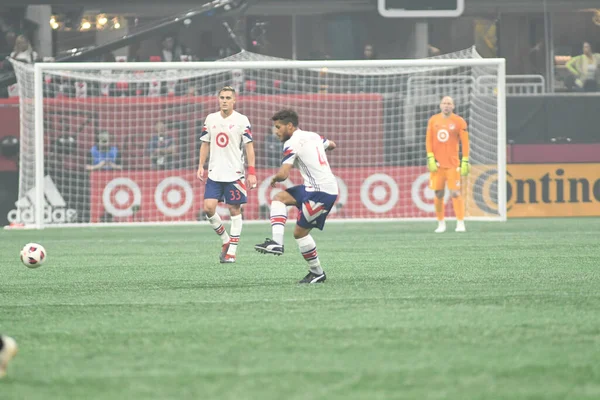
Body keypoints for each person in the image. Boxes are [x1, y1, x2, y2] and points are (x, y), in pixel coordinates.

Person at [255, 109, 338, 284]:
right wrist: (322, 149)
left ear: (290, 126)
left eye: (278, 127)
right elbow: (332, 144)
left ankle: (317, 273)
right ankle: (276, 242)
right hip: (313, 188)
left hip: (321, 193)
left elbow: (284, 174)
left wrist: (275, 177)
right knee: (279, 198)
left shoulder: (291, 143)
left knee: (300, 233)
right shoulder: (312, 136)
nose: (276, 131)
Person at [196, 86, 257, 263]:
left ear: (234, 100)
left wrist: (251, 172)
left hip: (235, 173)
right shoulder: (210, 119)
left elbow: (249, 146)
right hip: (215, 172)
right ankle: (225, 240)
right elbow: (205, 143)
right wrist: (201, 165)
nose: (224, 100)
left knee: (234, 209)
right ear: (218, 99)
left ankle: (232, 252)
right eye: (222, 97)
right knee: (208, 208)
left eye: (228, 97)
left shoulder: (242, 120)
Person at [426, 96, 470, 233]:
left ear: (453, 106)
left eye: (449, 103)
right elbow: (429, 140)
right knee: (438, 193)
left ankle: (460, 223)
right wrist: (430, 157)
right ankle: (441, 223)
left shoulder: (459, 121)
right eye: (444, 103)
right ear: (440, 105)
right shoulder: (433, 120)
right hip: (438, 165)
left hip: (453, 164)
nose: (446, 105)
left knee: (455, 193)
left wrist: (465, 160)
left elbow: (465, 142)